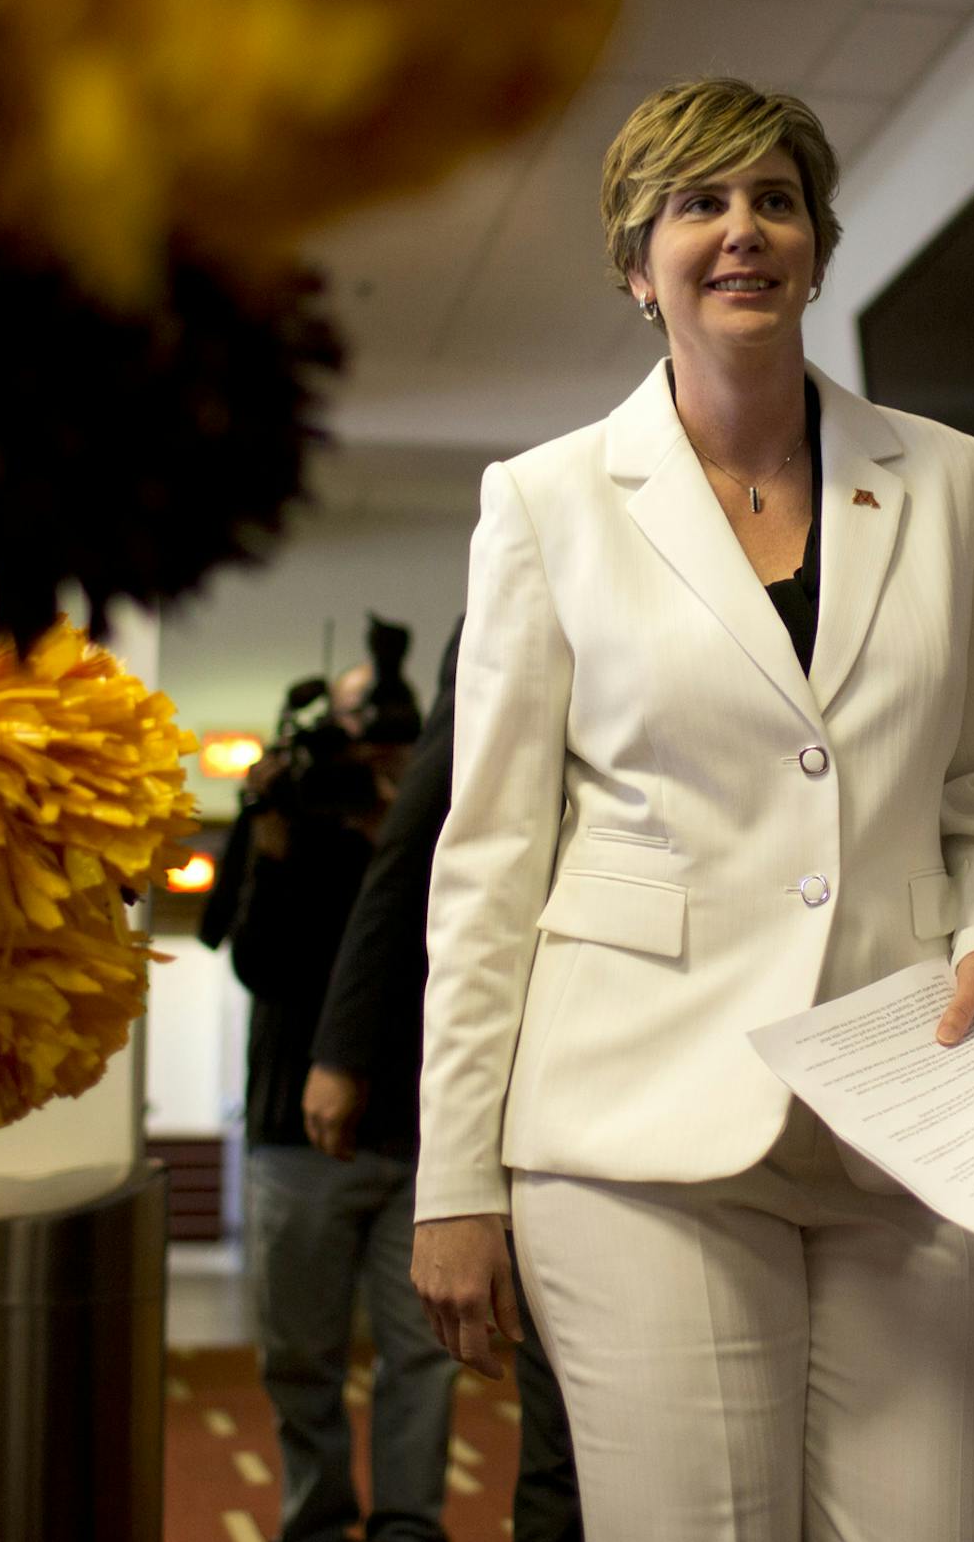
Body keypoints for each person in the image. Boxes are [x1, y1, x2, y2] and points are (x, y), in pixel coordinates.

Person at [409, 77, 974, 1542]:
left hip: (912, 1109)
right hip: (637, 1129)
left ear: (820, 246)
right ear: (640, 268)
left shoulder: (952, 481)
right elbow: (490, 861)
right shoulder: (549, 500)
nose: (742, 229)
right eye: (697, 203)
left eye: (774, 199)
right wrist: (455, 1176)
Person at [306, 621, 584, 1542]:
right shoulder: (543, 572)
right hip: (573, 1085)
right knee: (571, 1445)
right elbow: (427, 861)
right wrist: (340, 1052)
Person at [212, 655, 458, 1542]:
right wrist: (271, 839)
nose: (371, 753)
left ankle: (407, 1526)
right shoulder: (297, 821)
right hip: (295, 1134)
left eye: (390, 739)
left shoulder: (444, 815)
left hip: (421, 1129)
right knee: (300, 1357)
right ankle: (315, 1521)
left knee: (423, 1356)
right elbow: (251, 959)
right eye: (357, 732)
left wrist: (405, 820)